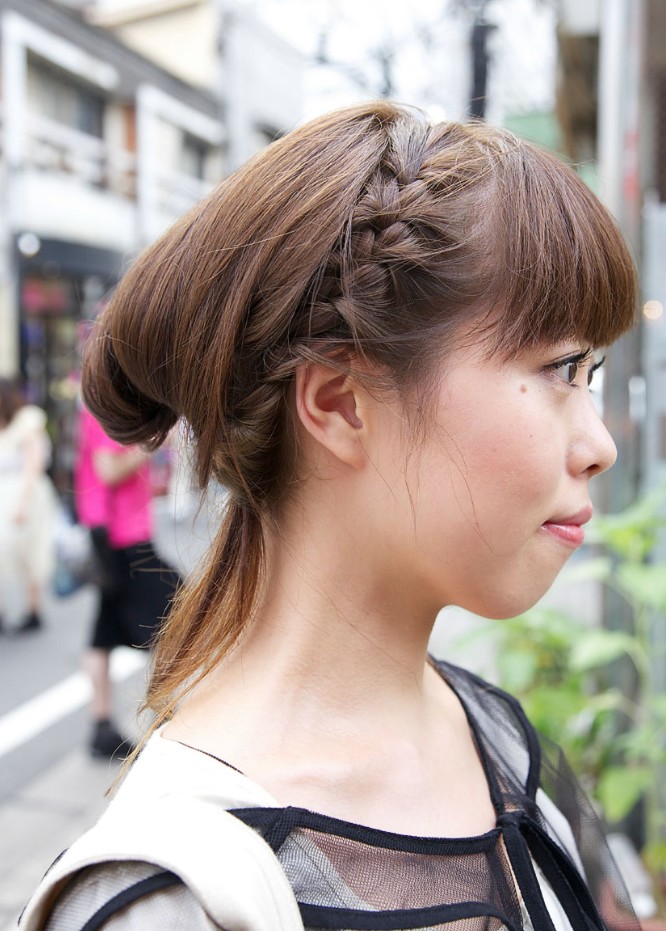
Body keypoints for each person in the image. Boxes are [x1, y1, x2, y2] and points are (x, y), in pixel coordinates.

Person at [21, 102, 642, 930]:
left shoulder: (495, 731)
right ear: (342, 404)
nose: (598, 442)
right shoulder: (171, 896)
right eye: (561, 367)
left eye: (592, 373)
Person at [74, 403, 181, 759]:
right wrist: (154, 442)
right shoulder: (106, 410)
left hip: (119, 537)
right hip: (122, 540)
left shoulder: (111, 409)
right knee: (180, 612)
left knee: (103, 631)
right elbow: (108, 470)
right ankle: (165, 716)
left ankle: (102, 727)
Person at [0, 378, 56, 634]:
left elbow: (34, 464)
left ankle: (34, 609)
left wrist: (22, 504)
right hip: (5, 498)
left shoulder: (27, 421)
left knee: (32, 552)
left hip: (27, 498)